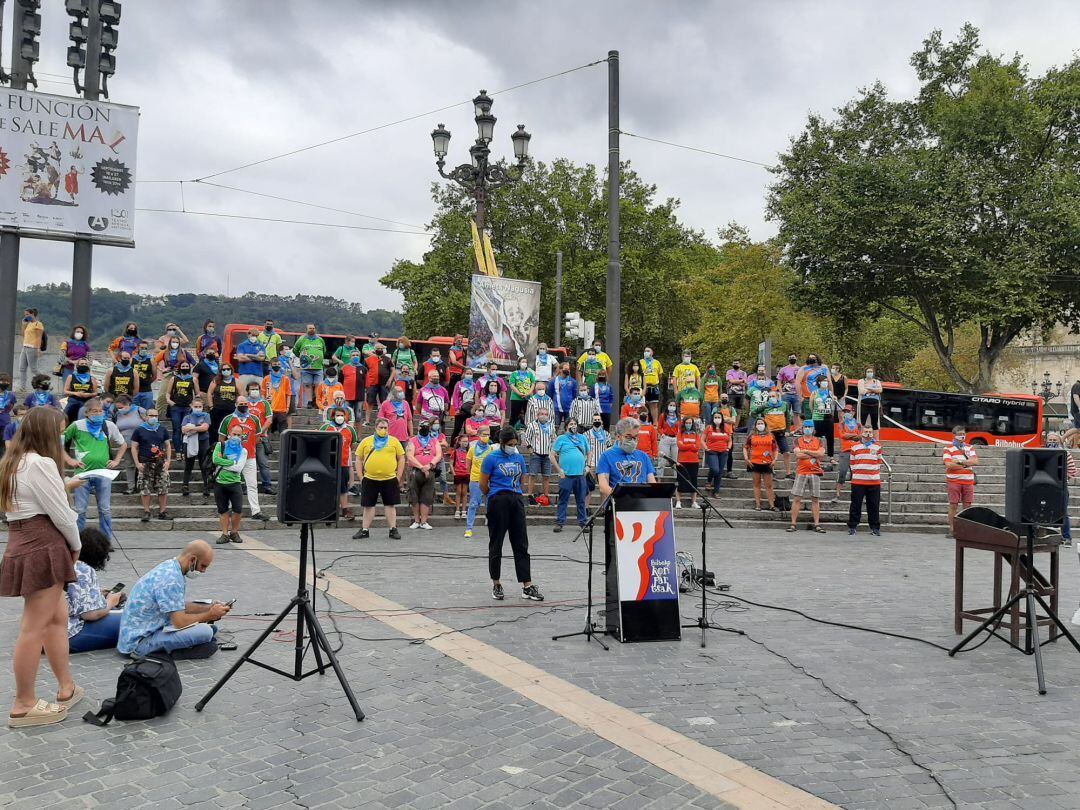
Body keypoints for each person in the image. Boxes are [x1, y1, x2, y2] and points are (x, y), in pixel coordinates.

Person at [0, 406, 85, 727]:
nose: (62, 436)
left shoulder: (12, 462)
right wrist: (76, 546)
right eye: (60, 431)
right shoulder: (42, 463)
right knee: (34, 627)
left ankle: (66, 687)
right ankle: (24, 703)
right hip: (43, 544)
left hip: (23, 541)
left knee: (57, 618)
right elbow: (62, 514)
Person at [117, 541, 230, 657]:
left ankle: (189, 644)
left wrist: (209, 607)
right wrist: (209, 615)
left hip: (142, 633)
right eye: (203, 566)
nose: (203, 571)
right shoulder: (171, 580)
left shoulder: (171, 567)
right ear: (192, 560)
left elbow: (177, 606)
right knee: (206, 632)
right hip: (138, 644)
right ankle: (169, 653)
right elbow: (180, 622)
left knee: (210, 630)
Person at [480, 426, 544, 602]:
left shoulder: (518, 458)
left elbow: (521, 480)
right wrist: (494, 496)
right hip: (498, 500)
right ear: (501, 443)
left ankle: (527, 585)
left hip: (515, 499)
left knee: (521, 543)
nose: (513, 446)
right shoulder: (491, 458)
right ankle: (496, 583)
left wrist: (514, 493)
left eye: (515, 444)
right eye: (510, 444)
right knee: (496, 543)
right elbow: (483, 484)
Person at [63, 397, 126, 540]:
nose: (98, 414)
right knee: (80, 509)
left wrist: (116, 460)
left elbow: (123, 444)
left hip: (103, 473)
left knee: (105, 509)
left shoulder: (108, 425)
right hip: (82, 473)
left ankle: (106, 539)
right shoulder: (77, 425)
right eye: (94, 411)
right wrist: (69, 459)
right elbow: (60, 442)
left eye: (100, 411)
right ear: (86, 413)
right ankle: (77, 540)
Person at [66, 527, 124, 653]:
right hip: (71, 635)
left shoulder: (66, 563)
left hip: (46, 634)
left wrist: (97, 595)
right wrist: (110, 602)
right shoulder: (83, 569)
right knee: (130, 618)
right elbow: (90, 615)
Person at [217, 396, 269, 523]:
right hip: (232, 457)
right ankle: (227, 509)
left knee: (252, 484)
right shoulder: (228, 419)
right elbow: (221, 438)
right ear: (235, 404)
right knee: (229, 483)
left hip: (249, 456)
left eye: (245, 403)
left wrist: (249, 447)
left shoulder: (255, 419)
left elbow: (257, 437)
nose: (244, 405)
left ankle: (256, 511)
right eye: (241, 403)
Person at [351, 417, 405, 540]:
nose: (383, 430)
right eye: (381, 427)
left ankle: (393, 529)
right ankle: (365, 529)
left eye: (385, 428)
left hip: (390, 478)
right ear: (375, 428)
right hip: (370, 478)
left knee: (390, 505)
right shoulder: (366, 441)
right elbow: (358, 459)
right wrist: (360, 476)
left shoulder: (394, 441)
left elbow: (401, 458)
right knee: (368, 505)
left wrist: (399, 476)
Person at [596, 418, 658, 497]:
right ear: (618, 437)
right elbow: (603, 487)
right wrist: (620, 498)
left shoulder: (643, 456)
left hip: (641, 502)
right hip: (619, 502)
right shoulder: (606, 456)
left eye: (635, 437)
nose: (632, 441)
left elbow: (652, 482)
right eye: (628, 437)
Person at [130, 408, 173, 522]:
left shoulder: (162, 429)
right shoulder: (139, 430)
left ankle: (162, 511)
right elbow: (134, 447)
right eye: (151, 415)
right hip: (145, 462)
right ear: (146, 416)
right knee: (145, 488)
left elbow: (168, 445)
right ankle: (146, 511)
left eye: (155, 415)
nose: (153, 417)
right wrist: (137, 463)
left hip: (160, 462)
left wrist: (168, 461)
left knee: (163, 488)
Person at [211, 421, 248, 544]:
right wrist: (232, 462)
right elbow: (215, 459)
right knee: (223, 510)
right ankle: (225, 533)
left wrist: (223, 462)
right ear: (229, 434)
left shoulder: (243, 451)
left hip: (235, 483)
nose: (236, 437)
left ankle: (234, 532)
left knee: (238, 510)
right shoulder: (220, 445)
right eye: (234, 434)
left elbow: (238, 468)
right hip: (220, 483)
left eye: (239, 435)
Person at [321, 407, 360, 522]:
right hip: (328, 464)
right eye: (337, 415)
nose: (340, 417)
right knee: (328, 487)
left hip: (343, 463)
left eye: (342, 415)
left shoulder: (350, 429)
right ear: (333, 416)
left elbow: (352, 445)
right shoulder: (325, 427)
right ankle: (328, 510)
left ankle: (345, 510)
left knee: (343, 488)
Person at [550, 419, 589, 532]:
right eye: (571, 424)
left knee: (581, 500)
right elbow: (552, 456)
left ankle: (583, 522)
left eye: (575, 424)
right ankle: (560, 522)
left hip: (580, 475)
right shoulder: (561, 438)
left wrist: (588, 465)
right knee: (563, 500)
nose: (573, 426)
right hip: (566, 475)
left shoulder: (582, 438)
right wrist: (559, 470)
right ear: (567, 426)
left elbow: (589, 452)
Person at [788, 421, 827, 533]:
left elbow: (821, 454)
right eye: (806, 427)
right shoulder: (797, 440)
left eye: (810, 427)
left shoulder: (819, 440)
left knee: (815, 498)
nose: (808, 429)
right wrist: (813, 452)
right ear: (802, 428)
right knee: (797, 498)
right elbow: (798, 454)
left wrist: (805, 451)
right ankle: (793, 523)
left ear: (813, 428)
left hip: (815, 472)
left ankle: (817, 524)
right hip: (801, 471)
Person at [847, 426, 884, 537]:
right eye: (866, 432)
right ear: (861, 433)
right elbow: (852, 463)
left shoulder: (878, 446)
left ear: (873, 434)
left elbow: (879, 462)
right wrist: (858, 474)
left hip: (874, 482)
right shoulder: (854, 447)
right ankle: (853, 527)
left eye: (870, 432)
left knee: (874, 505)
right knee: (855, 505)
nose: (868, 434)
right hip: (858, 481)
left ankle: (875, 528)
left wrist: (872, 474)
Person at [944, 425, 978, 538]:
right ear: (954, 435)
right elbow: (949, 464)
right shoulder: (948, 448)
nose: (962, 436)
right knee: (953, 505)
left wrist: (958, 462)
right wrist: (966, 464)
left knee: (967, 506)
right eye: (959, 434)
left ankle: (966, 530)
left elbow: (975, 461)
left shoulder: (970, 447)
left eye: (964, 434)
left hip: (968, 481)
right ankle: (952, 530)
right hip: (954, 481)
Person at [406, 420, 441, 530]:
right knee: (414, 495)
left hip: (430, 471)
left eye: (426, 426)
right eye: (423, 426)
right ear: (418, 428)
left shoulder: (434, 441)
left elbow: (439, 454)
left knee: (427, 496)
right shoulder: (412, 441)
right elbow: (410, 456)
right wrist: (421, 467)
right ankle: (416, 520)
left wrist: (430, 465)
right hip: (415, 471)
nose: (425, 428)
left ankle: (424, 521)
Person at [463, 425, 495, 538]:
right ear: (478, 435)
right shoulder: (472, 449)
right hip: (476, 480)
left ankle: (492, 525)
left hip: (489, 480)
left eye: (488, 435)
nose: (486, 437)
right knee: (473, 504)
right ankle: (469, 528)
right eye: (484, 435)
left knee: (490, 504)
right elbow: (468, 466)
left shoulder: (491, 449)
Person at [753, 392, 793, 478]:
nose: (771, 398)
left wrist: (788, 430)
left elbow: (788, 418)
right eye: (770, 396)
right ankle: (771, 471)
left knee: (787, 452)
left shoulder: (784, 405)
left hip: (781, 432)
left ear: (778, 397)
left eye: (773, 396)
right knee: (770, 452)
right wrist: (761, 421)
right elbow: (753, 412)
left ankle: (788, 473)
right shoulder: (765, 406)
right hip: (769, 433)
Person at [180, 396, 213, 500]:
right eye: (196, 406)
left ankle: (206, 486)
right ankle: (185, 485)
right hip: (190, 443)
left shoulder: (206, 415)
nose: (198, 408)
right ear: (191, 406)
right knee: (188, 464)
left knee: (204, 465)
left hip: (203, 441)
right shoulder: (187, 417)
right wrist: (197, 428)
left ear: (203, 407)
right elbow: (183, 430)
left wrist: (192, 428)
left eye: (200, 406)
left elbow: (205, 428)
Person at [245, 382, 274, 496]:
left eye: (256, 389)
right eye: (252, 389)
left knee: (263, 463)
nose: (254, 391)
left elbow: (269, 420)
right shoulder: (244, 403)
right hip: (246, 439)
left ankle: (267, 485)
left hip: (261, 438)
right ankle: (244, 486)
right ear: (248, 390)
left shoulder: (264, 403)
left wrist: (260, 431)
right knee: (245, 463)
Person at [522, 407, 555, 506]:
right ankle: (530, 496)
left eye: (545, 414)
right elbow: (526, 438)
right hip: (536, 454)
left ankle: (546, 496)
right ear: (537, 415)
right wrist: (530, 450)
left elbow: (554, 438)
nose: (543, 416)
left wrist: (553, 450)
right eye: (541, 414)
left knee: (547, 476)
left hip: (547, 455)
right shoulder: (532, 425)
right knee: (532, 475)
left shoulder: (551, 426)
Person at [165, 360, 199, 455]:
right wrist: (170, 402)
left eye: (186, 366)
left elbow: (197, 394)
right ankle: (178, 451)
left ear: (189, 368)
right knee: (176, 429)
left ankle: (185, 451)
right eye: (183, 366)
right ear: (180, 367)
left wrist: (193, 404)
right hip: (176, 408)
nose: (184, 368)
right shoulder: (174, 379)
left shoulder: (193, 379)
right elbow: (168, 393)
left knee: (186, 429)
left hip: (187, 408)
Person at [294, 325, 327, 408]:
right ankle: (309, 402)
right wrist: (303, 358)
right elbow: (295, 350)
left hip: (318, 367)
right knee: (307, 385)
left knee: (318, 385)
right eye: (310, 328)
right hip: (306, 367)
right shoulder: (302, 339)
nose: (312, 330)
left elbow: (324, 350)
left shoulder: (320, 339)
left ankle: (316, 401)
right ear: (306, 329)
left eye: (313, 328)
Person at [674, 416, 703, 509]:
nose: (688, 425)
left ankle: (694, 502)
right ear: (684, 424)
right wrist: (691, 445)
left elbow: (697, 447)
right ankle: (678, 501)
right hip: (682, 461)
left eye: (690, 423)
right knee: (680, 481)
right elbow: (680, 446)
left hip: (694, 461)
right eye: (686, 423)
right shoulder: (680, 433)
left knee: (693, 481)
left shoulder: (696, 434)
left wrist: (686, 445)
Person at [207, 361, 240, 438]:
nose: (226, 371)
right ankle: (214, 447)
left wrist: (238, 407)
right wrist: (211, 406)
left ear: (231, 370)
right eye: (223, 369)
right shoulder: (216, 381)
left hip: (231, 410)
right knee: (215, 430)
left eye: (228, 369)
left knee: (230, 429)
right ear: (220, 371)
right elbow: (209, 393)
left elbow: (241, 395)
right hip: (217, 410)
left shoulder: (236, 381)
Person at [795, 354, 830, 427]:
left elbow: (829, 381)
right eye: (810, 358)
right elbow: (797, 382)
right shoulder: (803, 368)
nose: (812, 359)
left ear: (817, 358)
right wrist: (800, 396)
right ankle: (810, 433)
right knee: (809, 416)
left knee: (823, 416)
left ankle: (821, 432)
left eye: (813, 357)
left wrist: (832, 393)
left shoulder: (824, 367)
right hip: (808, 396)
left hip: (823, 396)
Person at [807, 375, 837, 461]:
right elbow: (811, 405)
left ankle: (831, 456)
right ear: (819, 382)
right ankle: (814, 455)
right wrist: (814, 414)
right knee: (815, 436)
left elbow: (832, 405)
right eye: (824, 381)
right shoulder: (814, 393)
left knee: (830, 437)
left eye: (827, 381)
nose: (826, 383)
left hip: (828, 417)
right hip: (817, 417)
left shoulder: (830, 392)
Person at [835, 407, 861, 500]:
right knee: (842, 471)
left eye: (848, 411)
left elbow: (860, 436)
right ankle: (838, 493)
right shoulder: (841, 424)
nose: (846, 413)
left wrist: (849, 435)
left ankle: (856, 494)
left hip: (856, 451)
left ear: (853, 412)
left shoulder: (858, 424)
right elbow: (842, 435)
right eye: (845, 411)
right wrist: (854, 435)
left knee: (856, 474)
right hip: (845, 451)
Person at [263, 357, 295, 433]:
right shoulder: (266, 378)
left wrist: (287, 407)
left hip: (282, 408)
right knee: (268, 429)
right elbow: (263, 393)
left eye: (278, 364)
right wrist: (265, 405)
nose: (276, 365)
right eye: (274, 364)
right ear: (270, 366)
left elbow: (288, 394)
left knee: (282, 430)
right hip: (270, 408)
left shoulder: (285, 379)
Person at [62, 358, 99, 424]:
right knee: (66, 414)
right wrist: (76, 393)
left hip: (86, 401)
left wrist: (88, 394)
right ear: (77, 365)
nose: (84, 365)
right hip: (74, 399)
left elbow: (95, 392)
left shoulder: (92, 378)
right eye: (82, 364)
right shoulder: (71, 377)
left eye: (85, 364)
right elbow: (65, 391)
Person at [703, 410, 731, 497]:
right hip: (711, 451)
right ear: (713, 418)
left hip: (723, 452)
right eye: (715, 417)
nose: (717, 419)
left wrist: (728, 448)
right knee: (715, 469)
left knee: (720, 472)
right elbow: (702, 439)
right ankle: (709, 480)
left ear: (722, 419)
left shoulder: (726, 427)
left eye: (719, 417)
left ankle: (716, 491)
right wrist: (706, 448)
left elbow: (730, 440)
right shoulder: (709, 427)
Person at [365, 343, 394, 423]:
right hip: (372, 383)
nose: (380, 350)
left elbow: (393, 370)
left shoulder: (387, 359)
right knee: (370, 402)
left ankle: (384, 419)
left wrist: (390, 380)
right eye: (378, 348)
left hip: (384, 384)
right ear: (374, 349)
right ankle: (367, 420)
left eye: (381, 348)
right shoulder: (368, 360)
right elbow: (365, 372)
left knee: (384, 402)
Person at [585, 414, 611, 504]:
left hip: (603, 466)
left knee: (603, 489)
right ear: (592, 422)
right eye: (595, 420)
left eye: (598, 419)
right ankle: (586, 508)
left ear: (602, 422)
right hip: (591, 464)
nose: (597, 421)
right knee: (588, 488)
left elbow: (609, 448)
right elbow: (584, 450)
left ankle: (603, 508)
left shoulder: (607, 434)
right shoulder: (586, 434)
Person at [17, 308, 44, 392]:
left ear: (33, 314)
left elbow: (39, 337)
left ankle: (44, 381)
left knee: (33, 369)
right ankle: (23, 388)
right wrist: (23, 324)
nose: (26, 316)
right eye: (25, 315)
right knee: (22, 368)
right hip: (25, 347)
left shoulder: (38, 324)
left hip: (33, 347)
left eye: (27, 314)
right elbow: (22, 334)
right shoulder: (28, 324)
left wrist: (38, 349)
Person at [450, 367, 479, 440]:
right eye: (467, 373)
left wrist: (475, 409)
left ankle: (467, 447)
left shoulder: (475, 385)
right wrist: (456, 409)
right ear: (464, 374)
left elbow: (476, 397)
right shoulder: (459, 384)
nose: (469, 375)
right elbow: (455, 396)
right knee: (457, 429)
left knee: (468, 430)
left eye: (470, 374)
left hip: (470, 410)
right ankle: (452, 446)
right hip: (460, 410)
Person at [777, 353, 802, 432]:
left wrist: (802, 394)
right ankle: (784, 430)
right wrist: (781, 392)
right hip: (786, 394)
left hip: (797, 394)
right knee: (784, 412)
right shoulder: (783, 369)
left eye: (793, 357)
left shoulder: (800, 369)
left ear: (796, 358)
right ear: (788, 359)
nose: (792, 358)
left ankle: (798, 430)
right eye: (790, 357)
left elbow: (803, 382)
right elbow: (779, 381)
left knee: (797, 413)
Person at [507, 358, 535, 427]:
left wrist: (529, 393)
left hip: (528, 398)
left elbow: (533, 384)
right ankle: (511, 429)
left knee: (528, 415)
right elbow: (512, 385)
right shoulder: (514, 374)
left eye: (526, 362)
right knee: (514, 415)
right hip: (516, 398)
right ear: (519, 363)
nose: (524, 363)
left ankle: (528, 429)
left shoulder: (530, 374)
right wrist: (519, 393)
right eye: (523, 362)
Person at [857, 366, 883, 440]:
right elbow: (861, 391)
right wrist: (874, 390)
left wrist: (868, 389)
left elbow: (880, 390)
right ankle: (861, 440)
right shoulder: (861, 381)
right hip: (863, 405)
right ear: (865, 373)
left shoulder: (877, 381)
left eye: (871, 372)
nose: (869, 373)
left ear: (873, 373)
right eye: (868, 372)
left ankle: (876, 441)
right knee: (862, 423)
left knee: (875, 424)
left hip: (875, 405)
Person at [131, 340, 157, 411]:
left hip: (147, 391)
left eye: (145, 348)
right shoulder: (132, 360)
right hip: (134, 392)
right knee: (134, 412)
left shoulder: (151, 360)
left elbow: (154, 376)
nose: (143, 350)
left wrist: (147, 382)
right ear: (138, 348)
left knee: (147, 411)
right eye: (142, 348)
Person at [339, 349, 365, 422]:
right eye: (353, 355)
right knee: (347, 416)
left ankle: (358, 434)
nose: (355, 357)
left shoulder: (363, 368)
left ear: (360, 357)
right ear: (350, 357)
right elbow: (340, 382)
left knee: (359, 417)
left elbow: (366, 383)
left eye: (357, 355)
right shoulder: (344, 368)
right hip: (347, 397)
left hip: (359, 396)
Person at [641, 348, 665, 424]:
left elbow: (660, 375)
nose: (646, 352)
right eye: (645, 351)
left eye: (648, 351)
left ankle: (655, 423)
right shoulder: (640, 362)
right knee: (642, 405)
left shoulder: (657, 363)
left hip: (653, 386)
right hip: (643, 386)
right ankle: (643, 422)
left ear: (652, 352)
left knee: (654, 406)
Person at [451, 433, 471, 519]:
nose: (465, 443)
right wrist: (454, 473)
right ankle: (457, 510)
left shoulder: (469, 452)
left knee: (465, 492)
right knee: (459, 492)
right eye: (463, 441)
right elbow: (451, 464)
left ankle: (464, 510)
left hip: (466, 473)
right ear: (459, 442)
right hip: (458, 473)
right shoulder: (455, 452)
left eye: (466, 441)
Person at [657, 401, 680, 476]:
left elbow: (680, 428)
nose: (672, 407)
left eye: (674, 405)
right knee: (662, 461)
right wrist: (662, 434)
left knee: (675, 461)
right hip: (665, 438)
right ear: (667, 406)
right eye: (671, 405)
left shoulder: (678, 416)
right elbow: (659, 427)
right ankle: (659, 479)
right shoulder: (663, 416)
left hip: (675, 439)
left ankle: (677, 479)